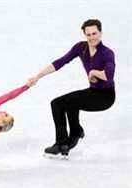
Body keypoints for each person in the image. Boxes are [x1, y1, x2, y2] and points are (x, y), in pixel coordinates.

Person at [27, 19, 116, 156]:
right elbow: (61, 62)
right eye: (89, 34)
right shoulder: (81, 48)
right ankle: (63, 142)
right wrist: (37, 77)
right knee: (59, 103)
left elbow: (108, 75)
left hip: (105, 97)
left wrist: (94, 72)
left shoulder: (107, 53)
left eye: (94, 33)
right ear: (84, 34)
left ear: (100, 33)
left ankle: (72, 136)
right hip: (92, 92)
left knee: (66, 103)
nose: (92, 37)